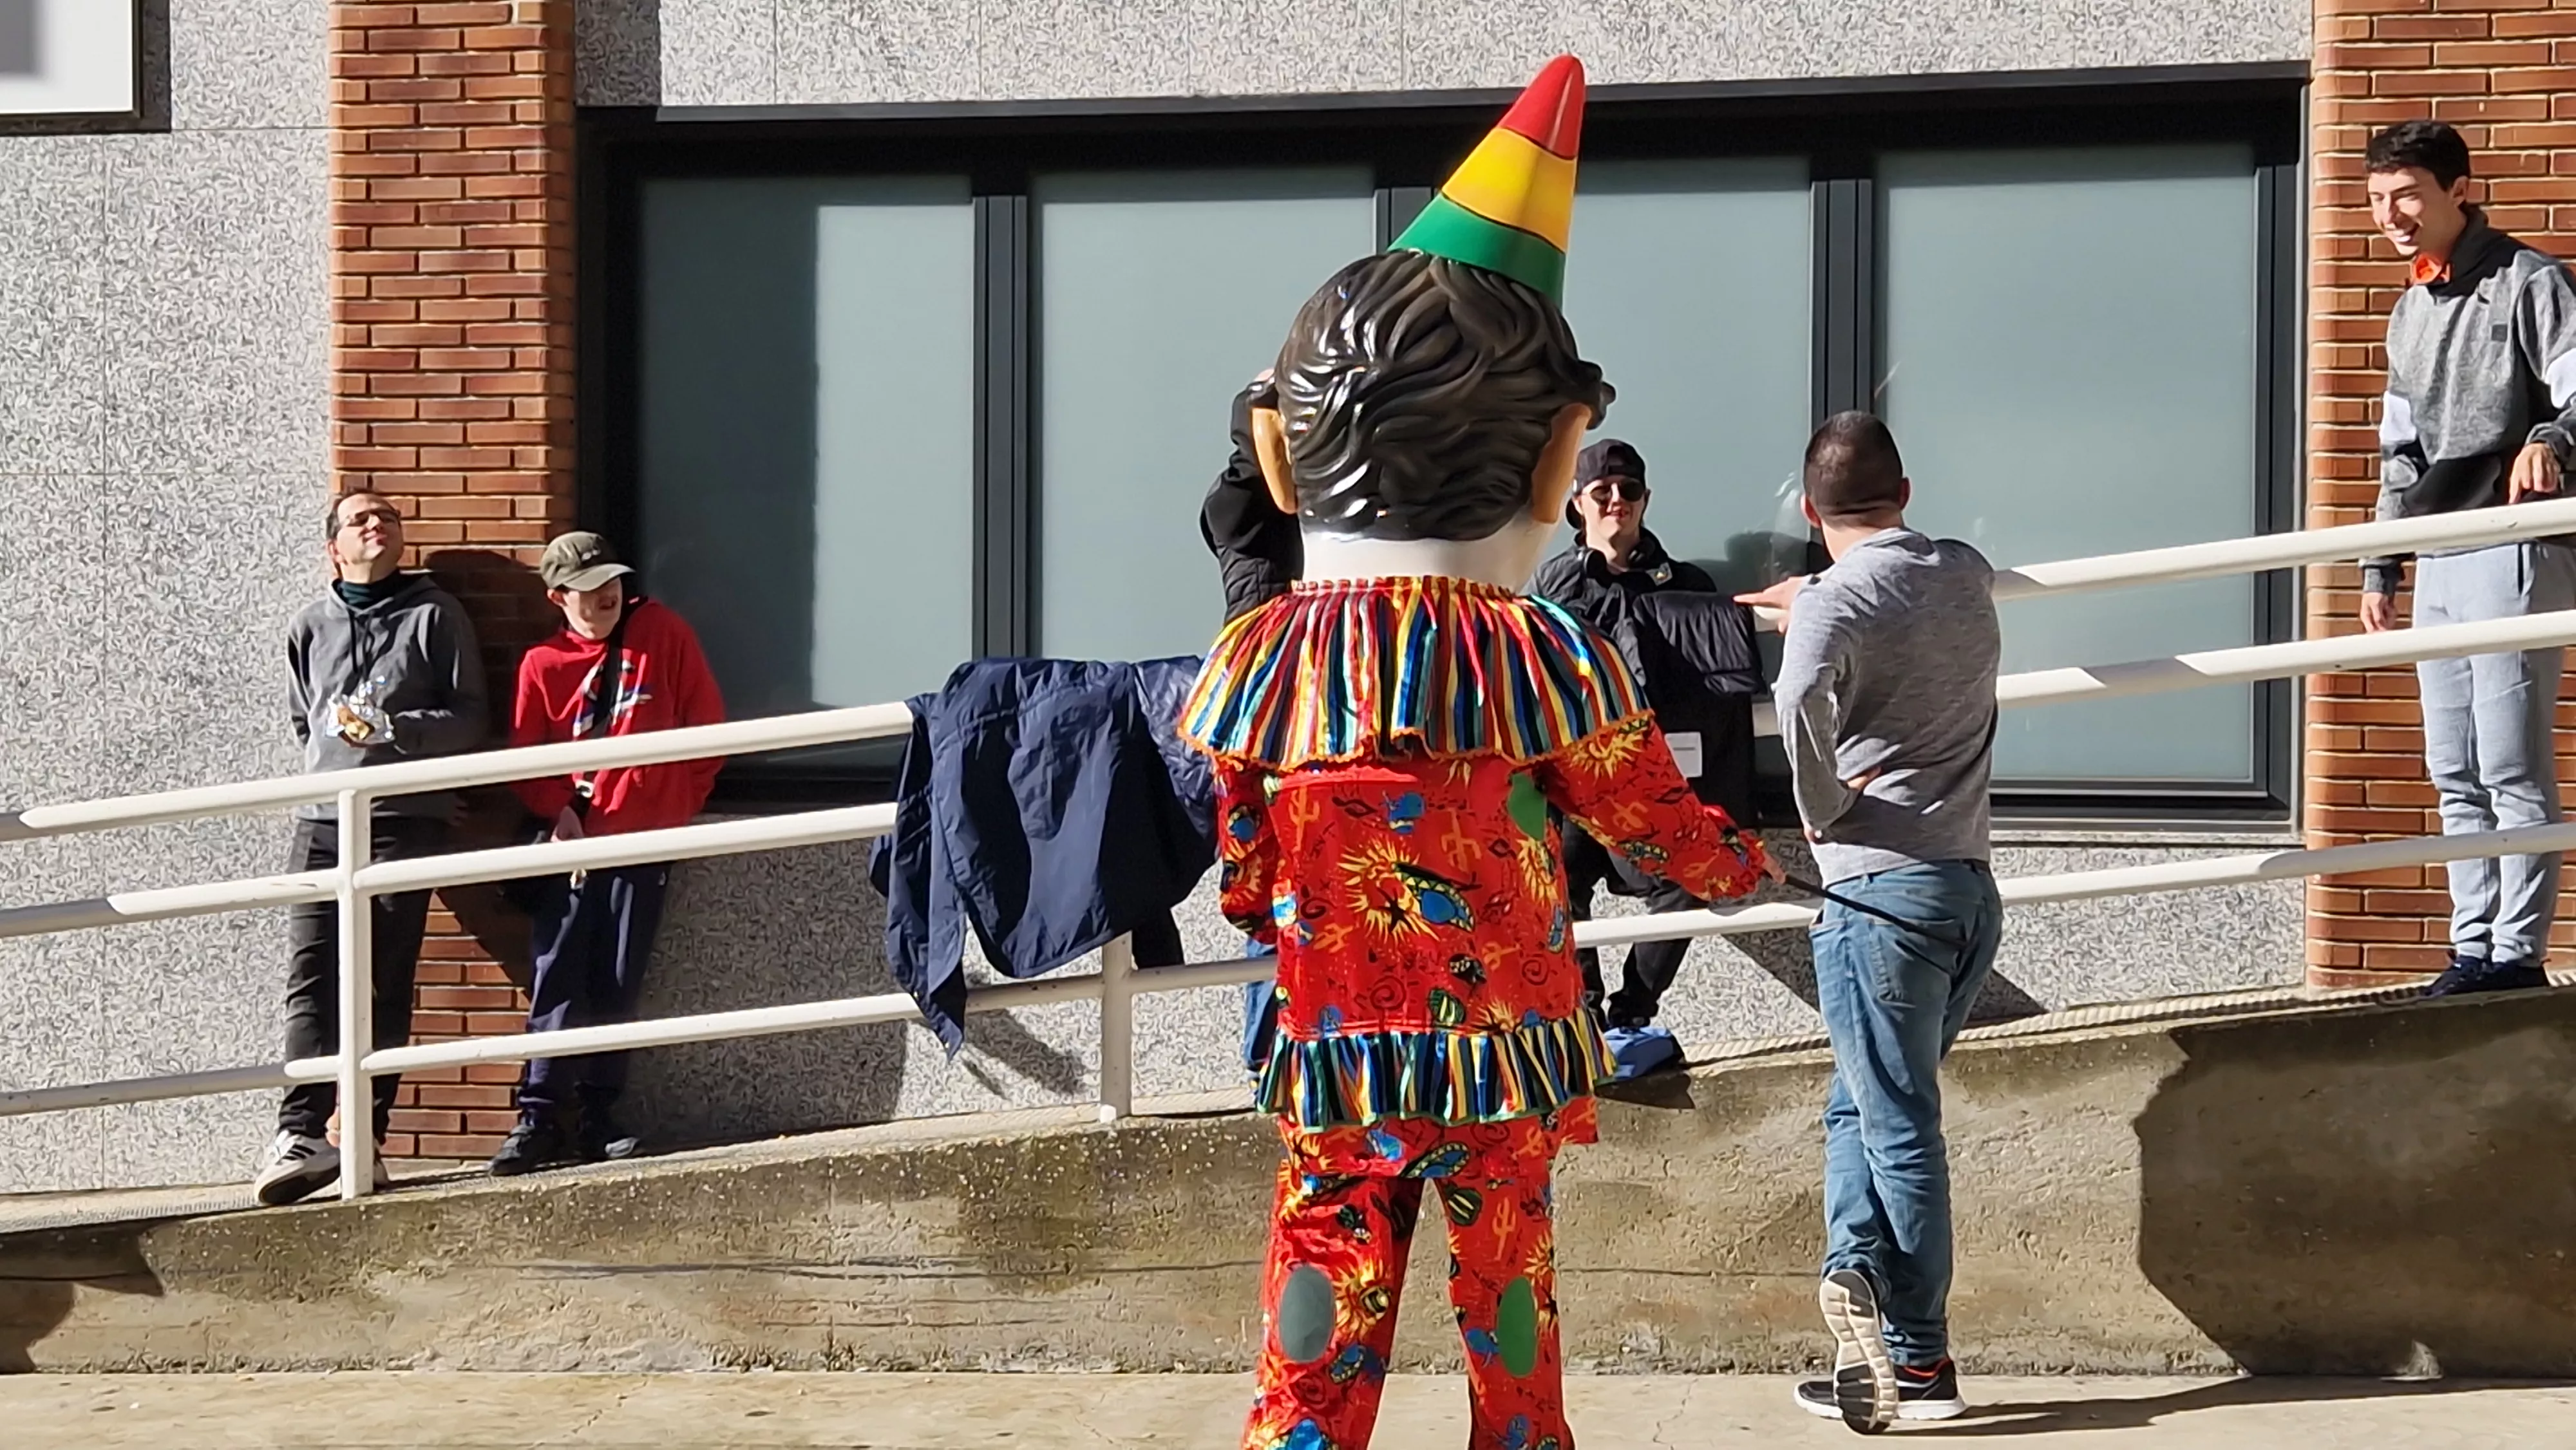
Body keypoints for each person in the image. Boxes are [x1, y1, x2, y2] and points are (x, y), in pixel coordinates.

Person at [1183, 57, 1777, 1450]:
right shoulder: (1540, 652)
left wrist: (1288, 903)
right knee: (1511, 1299)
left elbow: (1241, 852)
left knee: (1320, 1286)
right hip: (1501, 1040)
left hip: (1331, 1033)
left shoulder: (1263, 655)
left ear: (1281, 456)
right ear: (1555, 456)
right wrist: (1737, 866)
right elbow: (1646, 823)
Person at [1736, 413, 2000, 1434]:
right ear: (1909, 491)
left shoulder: (1833, 603)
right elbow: (1898, 587)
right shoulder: (1963, 570)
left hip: (1876, 896)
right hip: (1967, 889)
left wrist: (1820, 806)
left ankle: (1924, 1364)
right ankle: (1856, 1278)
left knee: (1894, 1126)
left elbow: (1804, 686)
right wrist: (1818, 600)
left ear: (1809, 512)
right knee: (1861, 1103)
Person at [2356, 118, 2576, 998]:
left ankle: (2516, 958)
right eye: (2377, 201)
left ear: (2458, 189)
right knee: (2454, 764)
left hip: (2518, 543)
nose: (2392, 215)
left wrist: (2554, 438)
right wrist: (2381, 565)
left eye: (2407, 194)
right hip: (2443, 551)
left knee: (2511, 762)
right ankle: (2472, 945)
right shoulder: (2409, 311)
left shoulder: (2532, 281)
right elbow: (2398, 457)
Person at [254, 491, 489, 1207]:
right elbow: (306, 720)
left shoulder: (434, 614)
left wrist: (395, 728)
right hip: (323, 819)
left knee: (384, 973)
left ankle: (364, 1133)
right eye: (359, 519)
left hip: (402, 818)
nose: (375, 525)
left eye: (385, 517)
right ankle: (300, 1131)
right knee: (311, 975)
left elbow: (470, 719)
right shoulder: (308, 624)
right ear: (335, 546)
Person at [489, 531, 724, 1175]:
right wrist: (556, 806)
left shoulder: (663, 632)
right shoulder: (543, 662)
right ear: (557, 596)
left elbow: (706, 729)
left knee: (618, 977)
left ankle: (599, 1113)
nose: (605, 598)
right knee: (557, 973)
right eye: (588, 590)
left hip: (645, 839)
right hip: (573, 843)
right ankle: (538, 1114)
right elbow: (525, 754)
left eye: (611, 584)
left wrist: (674, 805)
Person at [1534, 438, 1762, 1073]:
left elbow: (1721, 696)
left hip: (1658, 775)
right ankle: (1582, 1011)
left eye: (1628, 490)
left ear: (1645, 501)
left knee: (1687, 879)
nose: (1616, 502)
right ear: (1577, 503)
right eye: (1601, 491)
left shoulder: (1690, 585)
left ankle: (1631, 1013)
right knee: (1559, 883)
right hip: (1577, 778)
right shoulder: (1551, 584)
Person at [1199, 369, 1302, 1075]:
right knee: (1272, 879)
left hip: (1315, 698)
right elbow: (1252, 470)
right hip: (1264, 707)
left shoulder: (1323, 502)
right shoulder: (1238, 499)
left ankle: (1288, 1042)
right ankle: (1266, 1051)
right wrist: (1266, 408)